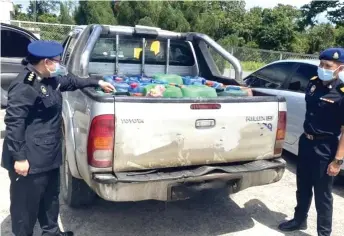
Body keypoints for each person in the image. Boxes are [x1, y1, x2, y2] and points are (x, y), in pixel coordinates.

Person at [1, 40, 115, 236]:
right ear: (46, 62)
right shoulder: (25, 84)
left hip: (49, 154)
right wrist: (19, 158)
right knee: (25, 209)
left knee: (50, 199)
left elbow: (71, 81)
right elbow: (14, 123)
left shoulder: (50, 78)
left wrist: (97, 82)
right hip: (30, 160)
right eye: (57, 61)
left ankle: (51, 233)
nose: (60, 65)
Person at [278, 48, 344, 236]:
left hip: (325, 147)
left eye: (327, 66)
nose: (322, 68)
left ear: (339, 69)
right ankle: (299, 220)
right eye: (321, 64)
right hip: (306, 143)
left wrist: (338, 160)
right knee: (303, 186)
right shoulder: (313, 84)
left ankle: (324, 233)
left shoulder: (341, 93)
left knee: (323, 195)